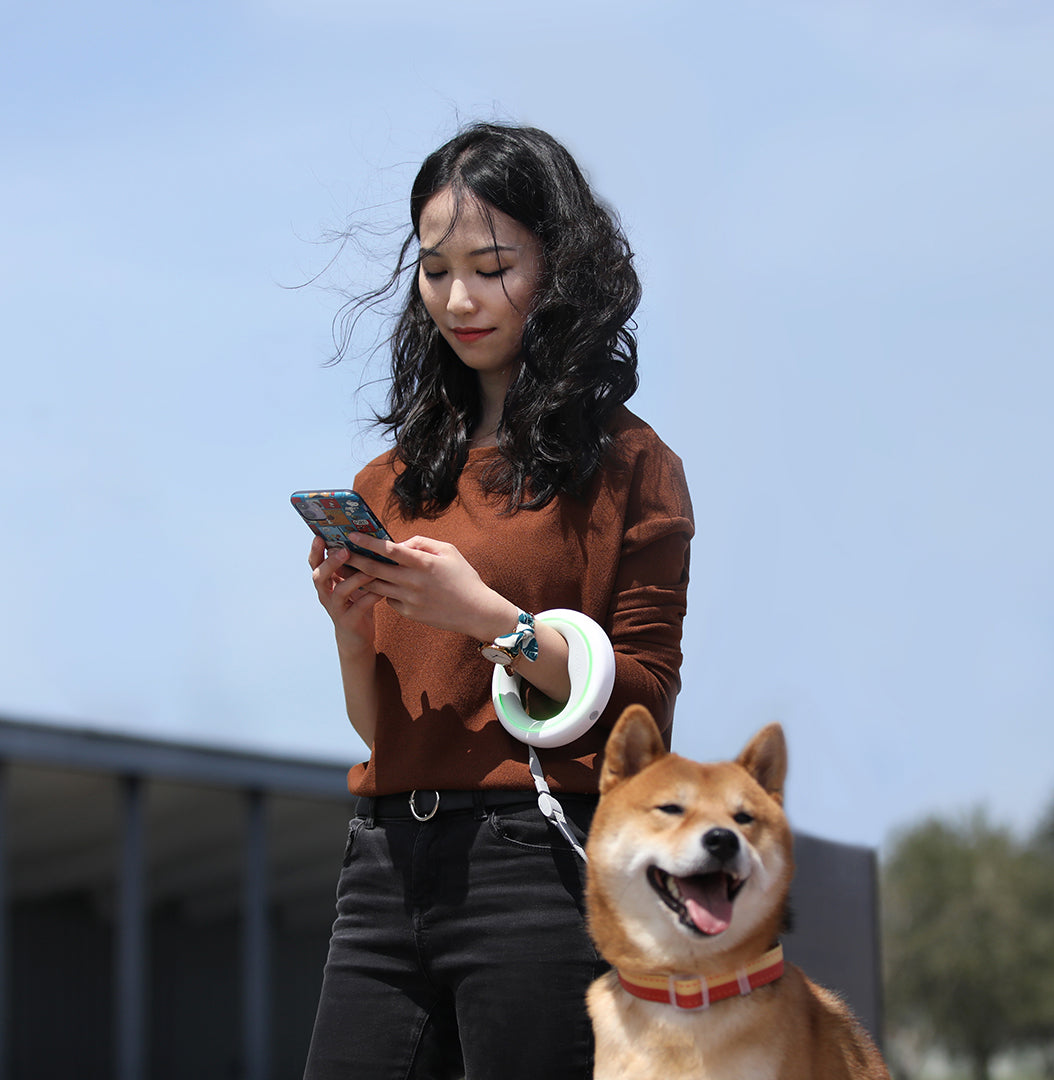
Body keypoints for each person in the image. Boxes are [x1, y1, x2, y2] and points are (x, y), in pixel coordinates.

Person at [302, 122, 694, 1080]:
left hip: (538, 866)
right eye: (436, 271)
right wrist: (354, 637)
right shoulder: (390, 480)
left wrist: (489, 618)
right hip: (384, 866)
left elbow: (644, 699)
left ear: (558, 267)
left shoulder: (632, 466)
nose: (460, 298)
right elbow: (385, 727)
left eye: (491, 265)